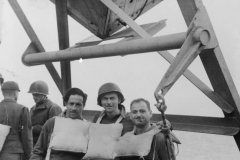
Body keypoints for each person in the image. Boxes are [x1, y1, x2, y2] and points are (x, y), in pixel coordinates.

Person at [30, 88, 88, 160]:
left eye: (78, 104)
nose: (74, 108)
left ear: (83, 106)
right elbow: (38, 152)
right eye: (71, 103)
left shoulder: (87, 128)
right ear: (65, 104)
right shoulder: (52, 123)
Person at [92, 82, 171, 135]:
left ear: (119, 100)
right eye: (105, 99)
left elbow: (148, 127)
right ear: (100, 101)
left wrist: (167, 124)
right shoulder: (97, 118)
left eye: (112, 98)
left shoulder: (130, 118)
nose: (109, 102)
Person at [0, 81, 33, 160]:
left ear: (3, 93)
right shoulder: (22, 109)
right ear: (15, 92)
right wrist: (30, 156)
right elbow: (26, 137)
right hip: (13, 154)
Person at [28, 80, 62, 146]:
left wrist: (33, 129)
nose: (34, 97)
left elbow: (54, 128)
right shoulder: (32, 109)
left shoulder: (53, 108)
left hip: (46, 145)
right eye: (33, 94)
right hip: (33, 145)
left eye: (37, 95)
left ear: (44, 95)